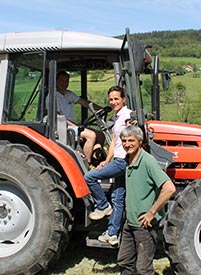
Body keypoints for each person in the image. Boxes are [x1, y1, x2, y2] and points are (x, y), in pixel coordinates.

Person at [117, 125, 176, 275]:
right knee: (124, 262)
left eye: (131, 140)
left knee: (143, 269)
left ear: (140, 141)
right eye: (124, 141)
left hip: (144, 225)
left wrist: (151, 213)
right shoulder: (128, 160)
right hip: (130, 222)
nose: (126, 144)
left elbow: (169, 188)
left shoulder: (148, 161)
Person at [84, 85, 132, 246]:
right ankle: (112, 234)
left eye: (116, 99)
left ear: (123, 99)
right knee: (118, 199)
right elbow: (113, 142)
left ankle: (103, 206)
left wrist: (128, 157)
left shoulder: (127, 116)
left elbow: (132, 137)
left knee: (89, 176)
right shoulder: (118, 117)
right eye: (111, 99)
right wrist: (106, 160)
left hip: (122, 161)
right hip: (117, 159)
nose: (113, 102)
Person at [56, 70, 104, 165]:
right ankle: (86, 165)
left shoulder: (68, 94)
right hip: (62, 127)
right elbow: (57, 117)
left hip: (72, 125)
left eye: (66, 81)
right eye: (61, 80)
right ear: (56, 81)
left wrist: (102, 109)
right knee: (91, 136)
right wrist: (75, 125)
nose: (64, 83)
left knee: (100, 135)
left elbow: (85, 103)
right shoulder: (53, 97)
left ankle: (96, 159)